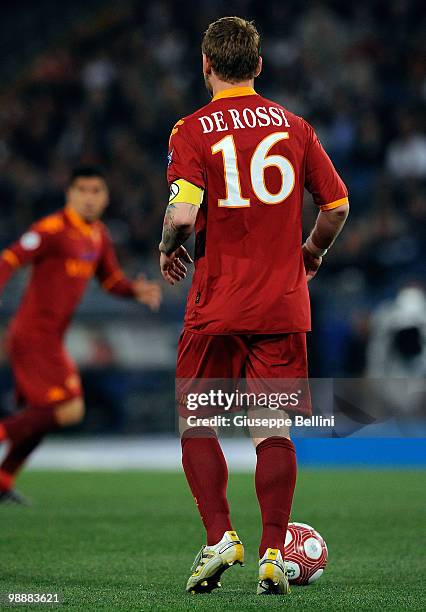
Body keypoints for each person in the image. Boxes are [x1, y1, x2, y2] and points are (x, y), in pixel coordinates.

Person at [159, 17, 349, 595]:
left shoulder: (191, 130)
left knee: (198, 422)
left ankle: (220, 537)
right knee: (271, 429)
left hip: (218, 302)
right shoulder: (296, 127)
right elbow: (337, 205)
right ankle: (272, 553)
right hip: (281, 305)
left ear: (205, 65)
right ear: (259, 66)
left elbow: (183, 214)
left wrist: (168, 247)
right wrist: (311, 252)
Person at [0, 165, 161, 503]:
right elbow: (10, 258)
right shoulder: (52, 229)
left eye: (96, 191)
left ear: (105, 197)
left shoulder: (98, 236)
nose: (89, 198)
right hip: (32, 335)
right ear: (69, 194)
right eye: (82, 190)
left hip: (50, 339)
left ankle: (3, 480)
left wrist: (135, 291)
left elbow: (110, 280)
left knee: (45, 416)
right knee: (67, 410)